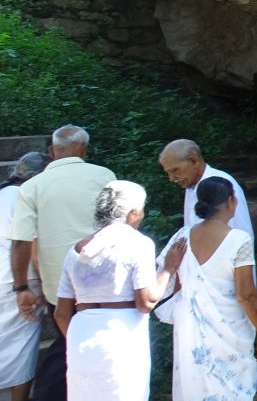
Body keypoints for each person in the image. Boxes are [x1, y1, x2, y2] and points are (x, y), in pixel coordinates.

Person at [8, 125, 114, 401]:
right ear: (84, 150)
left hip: (59, 286)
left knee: (70, 339)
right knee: (88, 341)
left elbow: (21, 241)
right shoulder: (105, 176)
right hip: (104, 280)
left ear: (52, 151)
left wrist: (22, 288)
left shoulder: (32, 186)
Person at [55, 181, 185, 401]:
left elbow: (61, 312)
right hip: (120, 334)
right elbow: (146, 302)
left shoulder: (76, 250)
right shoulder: (138, 243)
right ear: (133, 213)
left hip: (81, 336)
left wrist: (79, 338)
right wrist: (168, 269)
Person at [158, 138, 257, 394]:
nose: (172, 178)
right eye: (167, 173)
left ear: (195, 161)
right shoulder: (192, 193)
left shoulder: (222, 185)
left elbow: (241, 244)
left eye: (175, 170)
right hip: (199, 300)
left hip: (226, 294)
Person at [1, 152, 50, 401]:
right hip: (20, 280)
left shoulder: (3, 194)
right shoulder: (26, 196)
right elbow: (28, 243)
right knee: (23, 349)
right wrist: (44, 281)